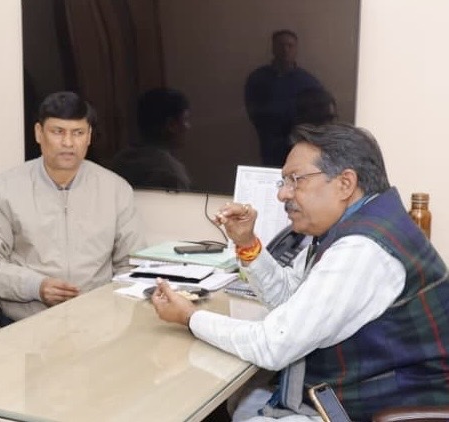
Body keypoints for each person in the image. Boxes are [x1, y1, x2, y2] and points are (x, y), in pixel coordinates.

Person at [152, 123, 449, 421]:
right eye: (283, 182)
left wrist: (190, 317)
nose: (283, 194)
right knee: (243, 400)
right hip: (347, 391)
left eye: (295, 180)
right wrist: (247, 244)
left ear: (345, 184)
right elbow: (289, 298)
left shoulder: (362, 249)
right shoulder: (348, 226)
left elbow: (273, 345)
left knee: (238, 404)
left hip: (379, 408)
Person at [0, 91, 147, 321]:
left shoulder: (116, 189)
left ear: (89, 136)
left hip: (98, 319)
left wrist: (116, 310)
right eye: (58, 132)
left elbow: (132, 263)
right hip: (28, 321)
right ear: (39, 133)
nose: (68, 143)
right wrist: (36, 286)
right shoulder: (2, 190)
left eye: (78, 133)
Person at [245, 30, 323, 167]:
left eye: (290, 46)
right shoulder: (258, 78)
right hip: (269, 142)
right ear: (273, 48)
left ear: (296, 49)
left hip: (300, 143)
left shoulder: (308, 82)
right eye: (281, 45)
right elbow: (252, 108)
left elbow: (318, 115)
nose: (285, 50)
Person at [110, 87, 192, 190]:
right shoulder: (171, 174)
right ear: (171, 125)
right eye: (185, 119)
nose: (188, 126)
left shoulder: (119, 162)